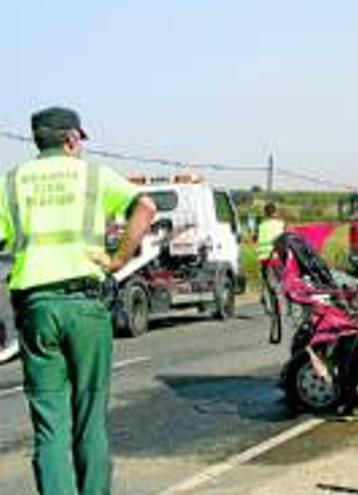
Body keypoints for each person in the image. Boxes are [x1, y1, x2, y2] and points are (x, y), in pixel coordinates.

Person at [0, 107, 156, 494]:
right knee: (89, 418)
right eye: (80, 139)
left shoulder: (10, 182)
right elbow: (146, 207)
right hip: (86, 305)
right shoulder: (93, 176)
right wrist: (119, 259)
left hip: (35, 307)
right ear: (71, 139)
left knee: (49, 425)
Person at [256, 202, 285, 313]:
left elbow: (256, 238)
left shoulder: (261, 226)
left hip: (264, 257)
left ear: (265, 213)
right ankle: (279, 305)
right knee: (279, 281)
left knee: (266, 281)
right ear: (275, 212)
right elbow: (285, 239)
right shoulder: (280, 225)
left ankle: (268, 304)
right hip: (277, 257)